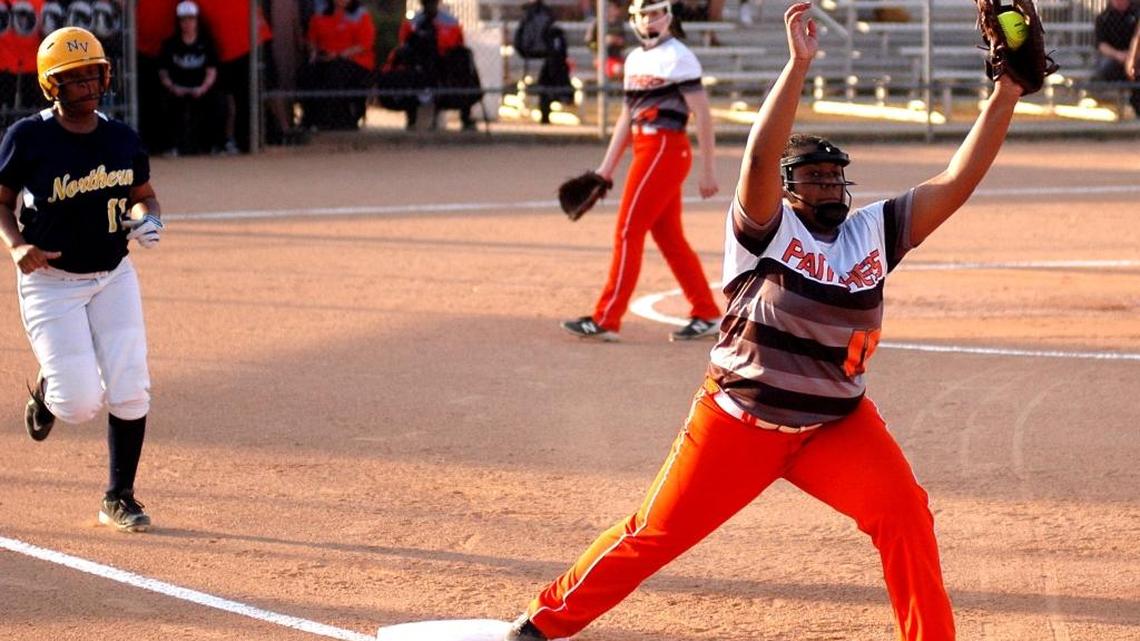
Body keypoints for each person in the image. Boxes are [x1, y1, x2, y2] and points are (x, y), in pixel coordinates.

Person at [507, 3, 1028, 640]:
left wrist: (1008, 91)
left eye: (836, 177)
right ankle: (541, 625)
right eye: (812, 177)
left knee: (907, 517)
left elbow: (958, 178)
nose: (829, 187)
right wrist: (798, 64)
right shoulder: (765, 230)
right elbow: (758, 157)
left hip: (836, 425)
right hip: (737, 422)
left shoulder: (873, 233)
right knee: (654, 535)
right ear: (787, 188)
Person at [0, 26, 164, 532]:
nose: (88, 86)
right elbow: (1, 202)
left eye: (93, 74)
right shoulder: (28, 137)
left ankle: (119, 496)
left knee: (131, 386)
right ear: (53, 86)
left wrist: (149, 217)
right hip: (51, 279)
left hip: (113, 274)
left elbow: (145, 193)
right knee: (78, 405)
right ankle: (51, 389)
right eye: (75, 79)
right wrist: (17, 245)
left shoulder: (121, 137)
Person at [560, 0, 721, 343]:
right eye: (644, 13)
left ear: (669, 16)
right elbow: (626, 117)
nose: (650, 19)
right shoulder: (635, 59)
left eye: (656, 13)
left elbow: (703, 116)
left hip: (666, 148)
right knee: (669, 238)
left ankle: (606, 318)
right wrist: (606, 168)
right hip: (647, 149)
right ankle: (706, 311)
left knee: (627, 231)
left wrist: (708, 171)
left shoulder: (680, 56)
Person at [386, 0, 477, 131]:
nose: (430, 6)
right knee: (408, 78)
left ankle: (466, 118)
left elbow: (459, 46)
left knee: (463, 75)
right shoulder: (414, 21)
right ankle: (411, 120)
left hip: (445, 65)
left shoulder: (450, 21)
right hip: (419, 65)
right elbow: (404, 44)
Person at [158, 0, 224, 155]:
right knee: (164, 101)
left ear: (197, 21)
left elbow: (212, 70)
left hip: (201, 88)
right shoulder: (170, 44)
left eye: (191, 19)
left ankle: (213, 145)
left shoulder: (206, 43)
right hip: (177, 88)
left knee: (217, 101)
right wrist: (172, 87)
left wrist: (203, 88)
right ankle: (171, 146)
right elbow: (163, 72)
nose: (187, 23)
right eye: (183, 19)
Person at [299, 0, 375, 131]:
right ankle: (311, 118)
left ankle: (340, 119)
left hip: (354, 63)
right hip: (325, 60)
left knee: (337, 71)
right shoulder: (320, 15)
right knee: (307, 73)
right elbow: (312, 41)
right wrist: (316, 53)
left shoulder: (360, 15)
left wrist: (339, 55)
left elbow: (364, 44)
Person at [1092, 0, 1140, 117]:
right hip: (1114, 58)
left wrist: (1132, 56)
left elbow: (1137, 38)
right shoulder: (1103, 17)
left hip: (1135, 58)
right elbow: (1101, 44)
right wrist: (1119, 55)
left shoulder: (1136, 13)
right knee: (1106, 66)